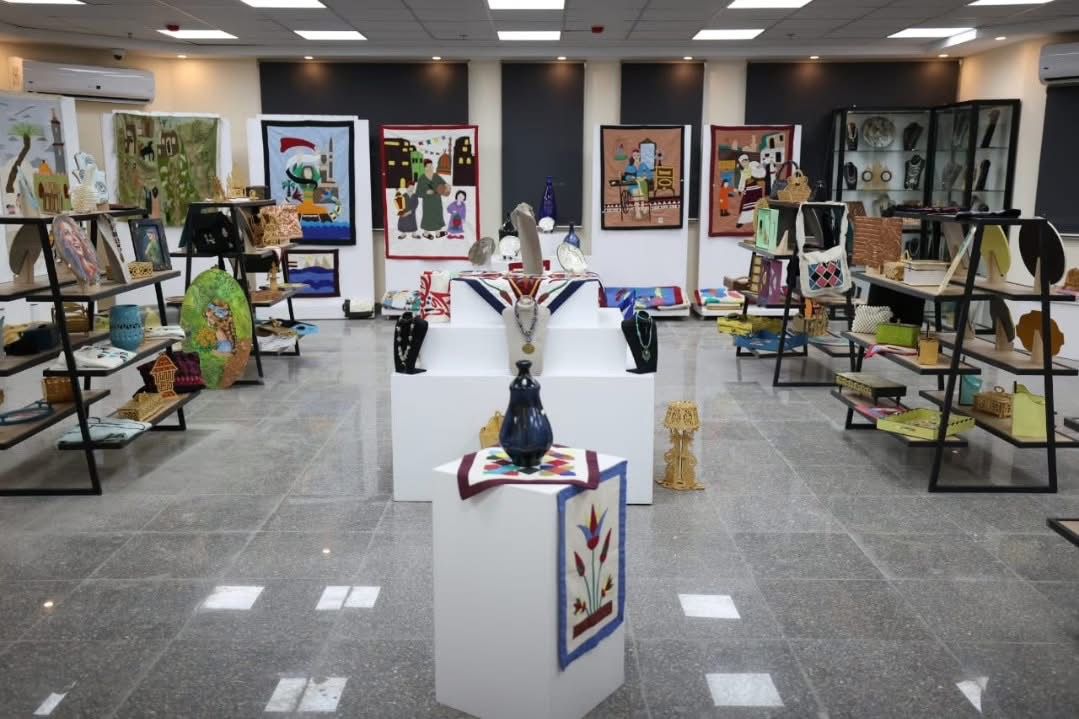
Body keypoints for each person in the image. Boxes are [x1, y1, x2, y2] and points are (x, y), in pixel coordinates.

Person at [415, 159, 448, 239]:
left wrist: (447, 186)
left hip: (437, 201)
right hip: (428, 203)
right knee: (428, 217)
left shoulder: (436, 176)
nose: (431, 168)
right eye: (428, 166)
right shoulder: (421, 178)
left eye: (431, 166)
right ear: (424, 168)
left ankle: (438, 233)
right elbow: (417, 193)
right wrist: (426, 193)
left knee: (438, 216)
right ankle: (426, 233)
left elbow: (444, 184)